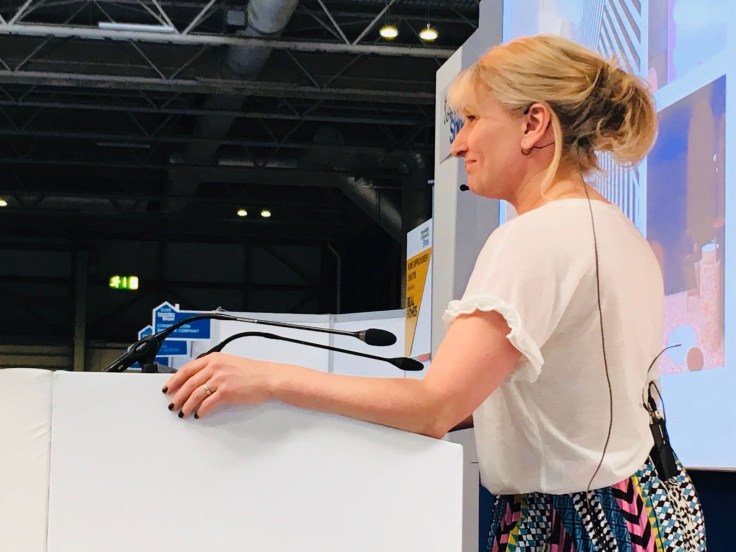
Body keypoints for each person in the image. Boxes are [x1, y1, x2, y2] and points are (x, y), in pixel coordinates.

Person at [163, 34, 707, 550]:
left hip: (574, 523)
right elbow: (561, 400)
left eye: (472, 119)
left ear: (533, 123)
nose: (458, 143)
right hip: (649, 510)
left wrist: (269, 378)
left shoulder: (534, 237)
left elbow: (434, 409)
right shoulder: (617, 230)